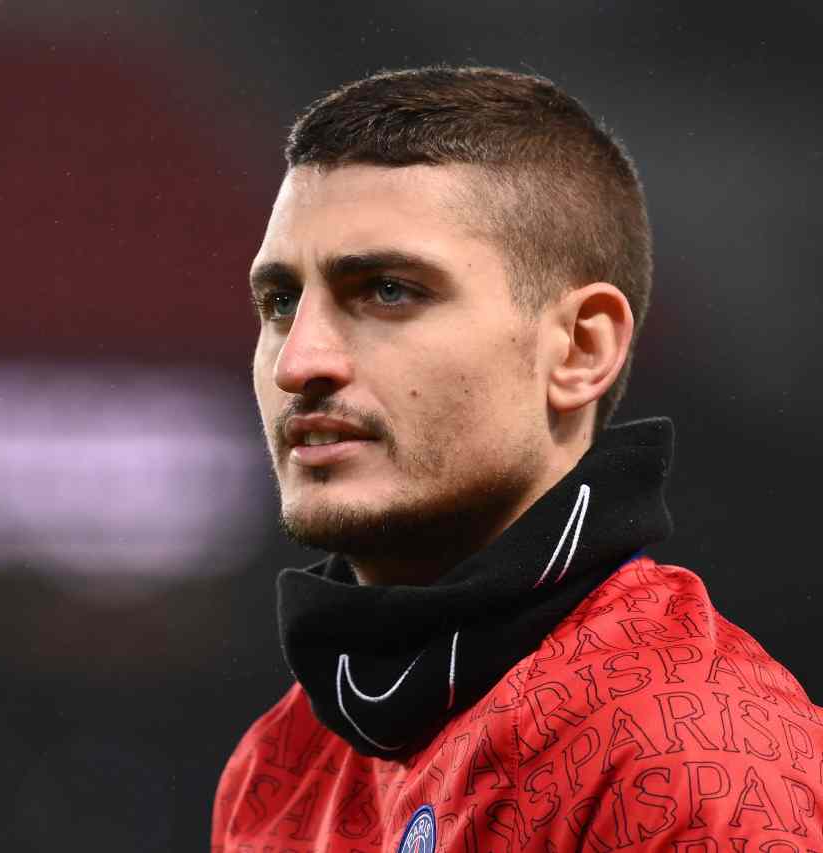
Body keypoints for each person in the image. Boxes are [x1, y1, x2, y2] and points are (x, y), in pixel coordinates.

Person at [212, 66, 823, 851]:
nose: (299, 362)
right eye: (281, 302)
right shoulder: (278, 762)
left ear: (579, 349)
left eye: (389, 290)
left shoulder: (697, 761)